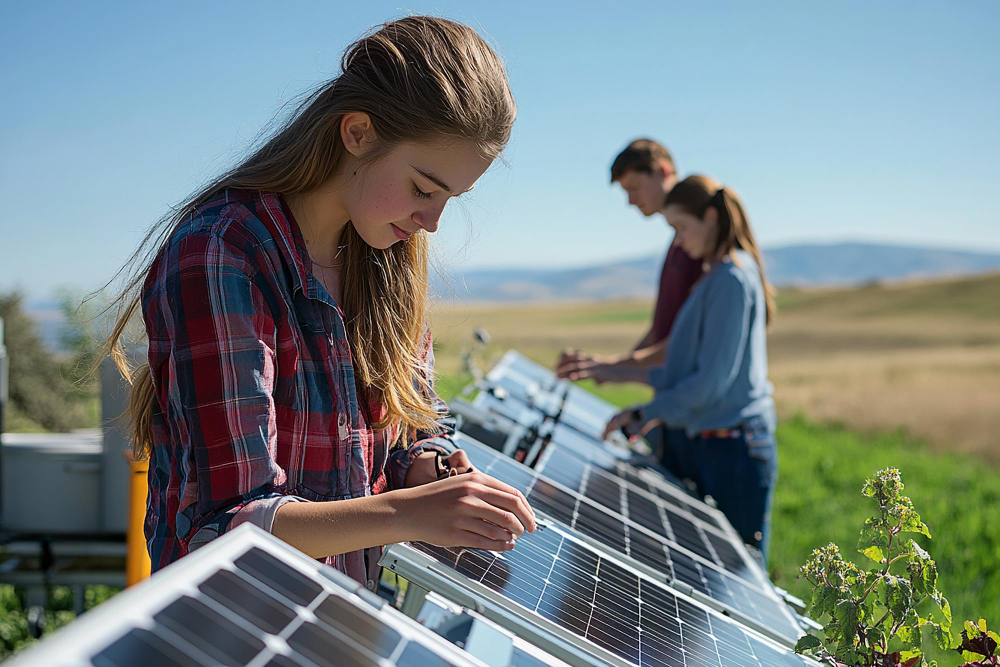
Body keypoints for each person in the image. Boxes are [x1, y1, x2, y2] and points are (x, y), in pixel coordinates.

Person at [102, 16, 535, 585]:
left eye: (451, 197)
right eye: (424, 189)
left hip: (340, 622)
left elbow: (408, 426)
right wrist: (413, 513)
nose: (432, 221)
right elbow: (227, 527)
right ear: (357, 133)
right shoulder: (222, 256)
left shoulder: (385, 259)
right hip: (230, 632)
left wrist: (428, 468)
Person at [601, 175, 778, 561]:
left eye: (681, 228)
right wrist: (619, 375)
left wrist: (647, 412)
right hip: (718, 442)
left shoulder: (730, 279)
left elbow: (708, 384)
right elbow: (685, 374)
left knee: (736, 574)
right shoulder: (718, 277)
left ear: (711, 218)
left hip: (733, 448)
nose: (679, 241)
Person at [556, 139, 703, 481]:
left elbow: (688, 340)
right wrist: (610, 366)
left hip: (698, 418)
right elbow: (662, 331)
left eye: (635, 187)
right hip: (674, 413)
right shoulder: (678, 246)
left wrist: (613, 367)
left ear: (664, 172)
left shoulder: (694, 247)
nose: (631, 200)